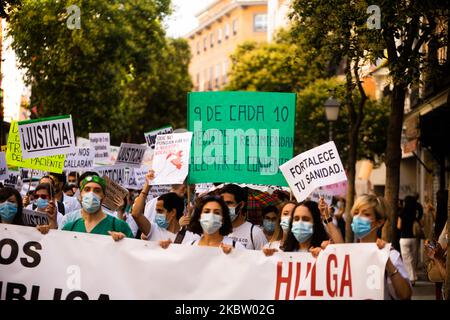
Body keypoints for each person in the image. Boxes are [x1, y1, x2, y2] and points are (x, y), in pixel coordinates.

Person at [351, 194, 412, 300]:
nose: (358, 217)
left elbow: (405, 295)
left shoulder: (390, 254)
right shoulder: (347, 253)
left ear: (379, 222)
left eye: (366, 214)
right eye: (356, 213)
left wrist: (387, 261)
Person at [52, 175, 133, 240]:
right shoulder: (70, 227)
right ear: (80, 195)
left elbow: (133, 254)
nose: (91, 194)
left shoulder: (119, 226)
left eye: (97, 191)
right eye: (87, 190)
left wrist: (124, 242)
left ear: (104, 197)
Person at [219, 184, 267, 250]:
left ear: (241, 205)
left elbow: (265, 259)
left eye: (229, 203)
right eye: (222, 203)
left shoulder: (255, 233)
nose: (224, 207)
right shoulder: (217, 230)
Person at [397, 195, 420, 285]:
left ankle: (411, 278)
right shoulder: (415, 213)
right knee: (413, 259)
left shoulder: (401, 213)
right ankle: (413, 276)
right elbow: (420, 224)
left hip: (404, 238)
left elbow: (399, 226)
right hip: (414, 238)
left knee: (407, 259)